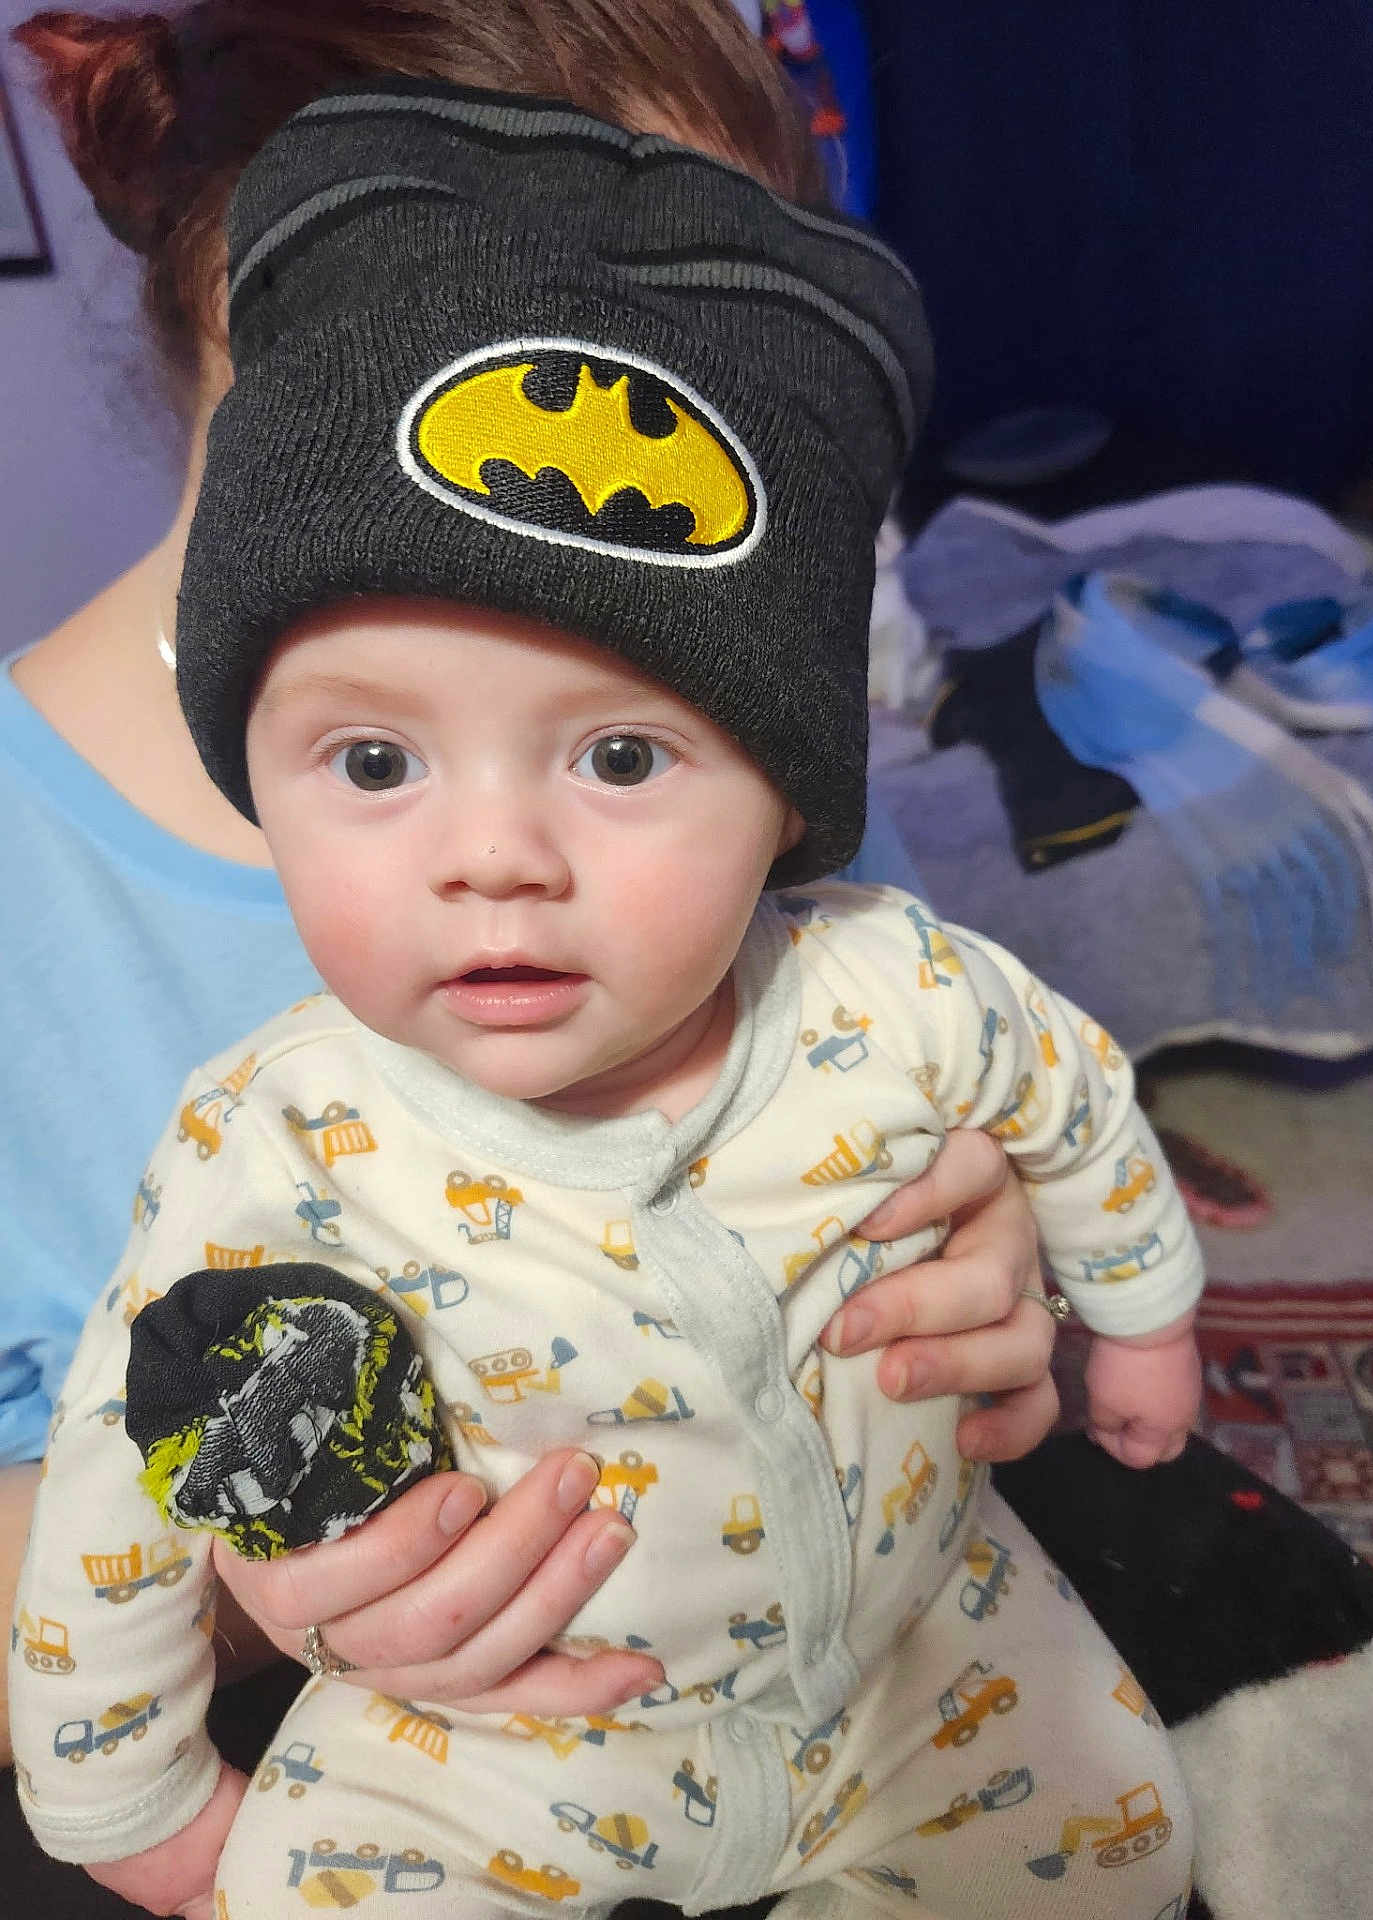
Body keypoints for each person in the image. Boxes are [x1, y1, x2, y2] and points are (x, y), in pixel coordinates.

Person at [10, 75, 1204, 1920]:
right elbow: (108, 1476)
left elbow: (1071, 1086)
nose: (496, 857)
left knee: (1116, 1835)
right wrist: (133, 1796)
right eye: (377, 763)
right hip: (488, 1752)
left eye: (626, 758)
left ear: (788, 801)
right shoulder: (272, 1142)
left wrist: (1126, 1304)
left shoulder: (884, 982)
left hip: (915, 1672)